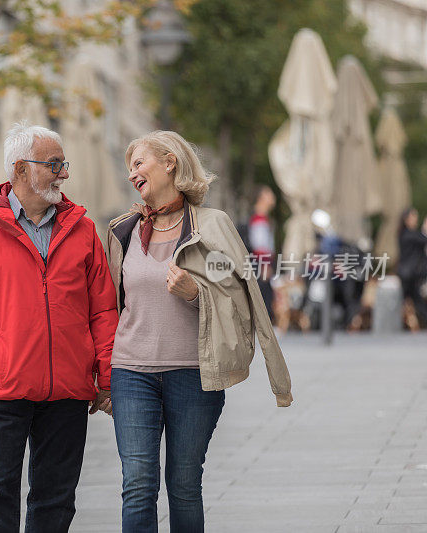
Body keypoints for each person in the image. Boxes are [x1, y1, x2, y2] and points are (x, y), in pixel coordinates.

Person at [106, 131, 293, 532]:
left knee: (185, 485)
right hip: (131, 372)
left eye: (138, 163)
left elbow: (243, 300)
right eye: (129, 168)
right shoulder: (121, 231)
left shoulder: (214, 226)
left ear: (170, 161)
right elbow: (109, 306)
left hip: (193, 375)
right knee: (137, 485)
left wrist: (196, 294)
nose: (131, 174)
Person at [0, 121, 117, 532]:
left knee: (56, 498)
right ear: (20, 169)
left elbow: (104, 311)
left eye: (64, 163)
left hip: (69, 389)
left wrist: (105, 376)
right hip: (5, 386)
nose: (65, 173)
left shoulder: (83, 230)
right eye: (55, 164)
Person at [248, 185, 277, 323]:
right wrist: (265, 264)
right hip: (261, 264)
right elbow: (260, 246)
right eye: (269, 194)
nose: (272, 197)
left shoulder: (263, 218)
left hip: (262, 263)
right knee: (264, 295)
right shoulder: (259, 219)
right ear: (261, 198)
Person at [397, 207, 427, 327]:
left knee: (414, 299)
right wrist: (425, 229)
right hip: (409, 274)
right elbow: (423, 239)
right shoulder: (408, 235)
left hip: (410, 273)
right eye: (413, 217)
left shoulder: (407, 234)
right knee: (410, 299)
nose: (416, 219)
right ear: (406, 219)